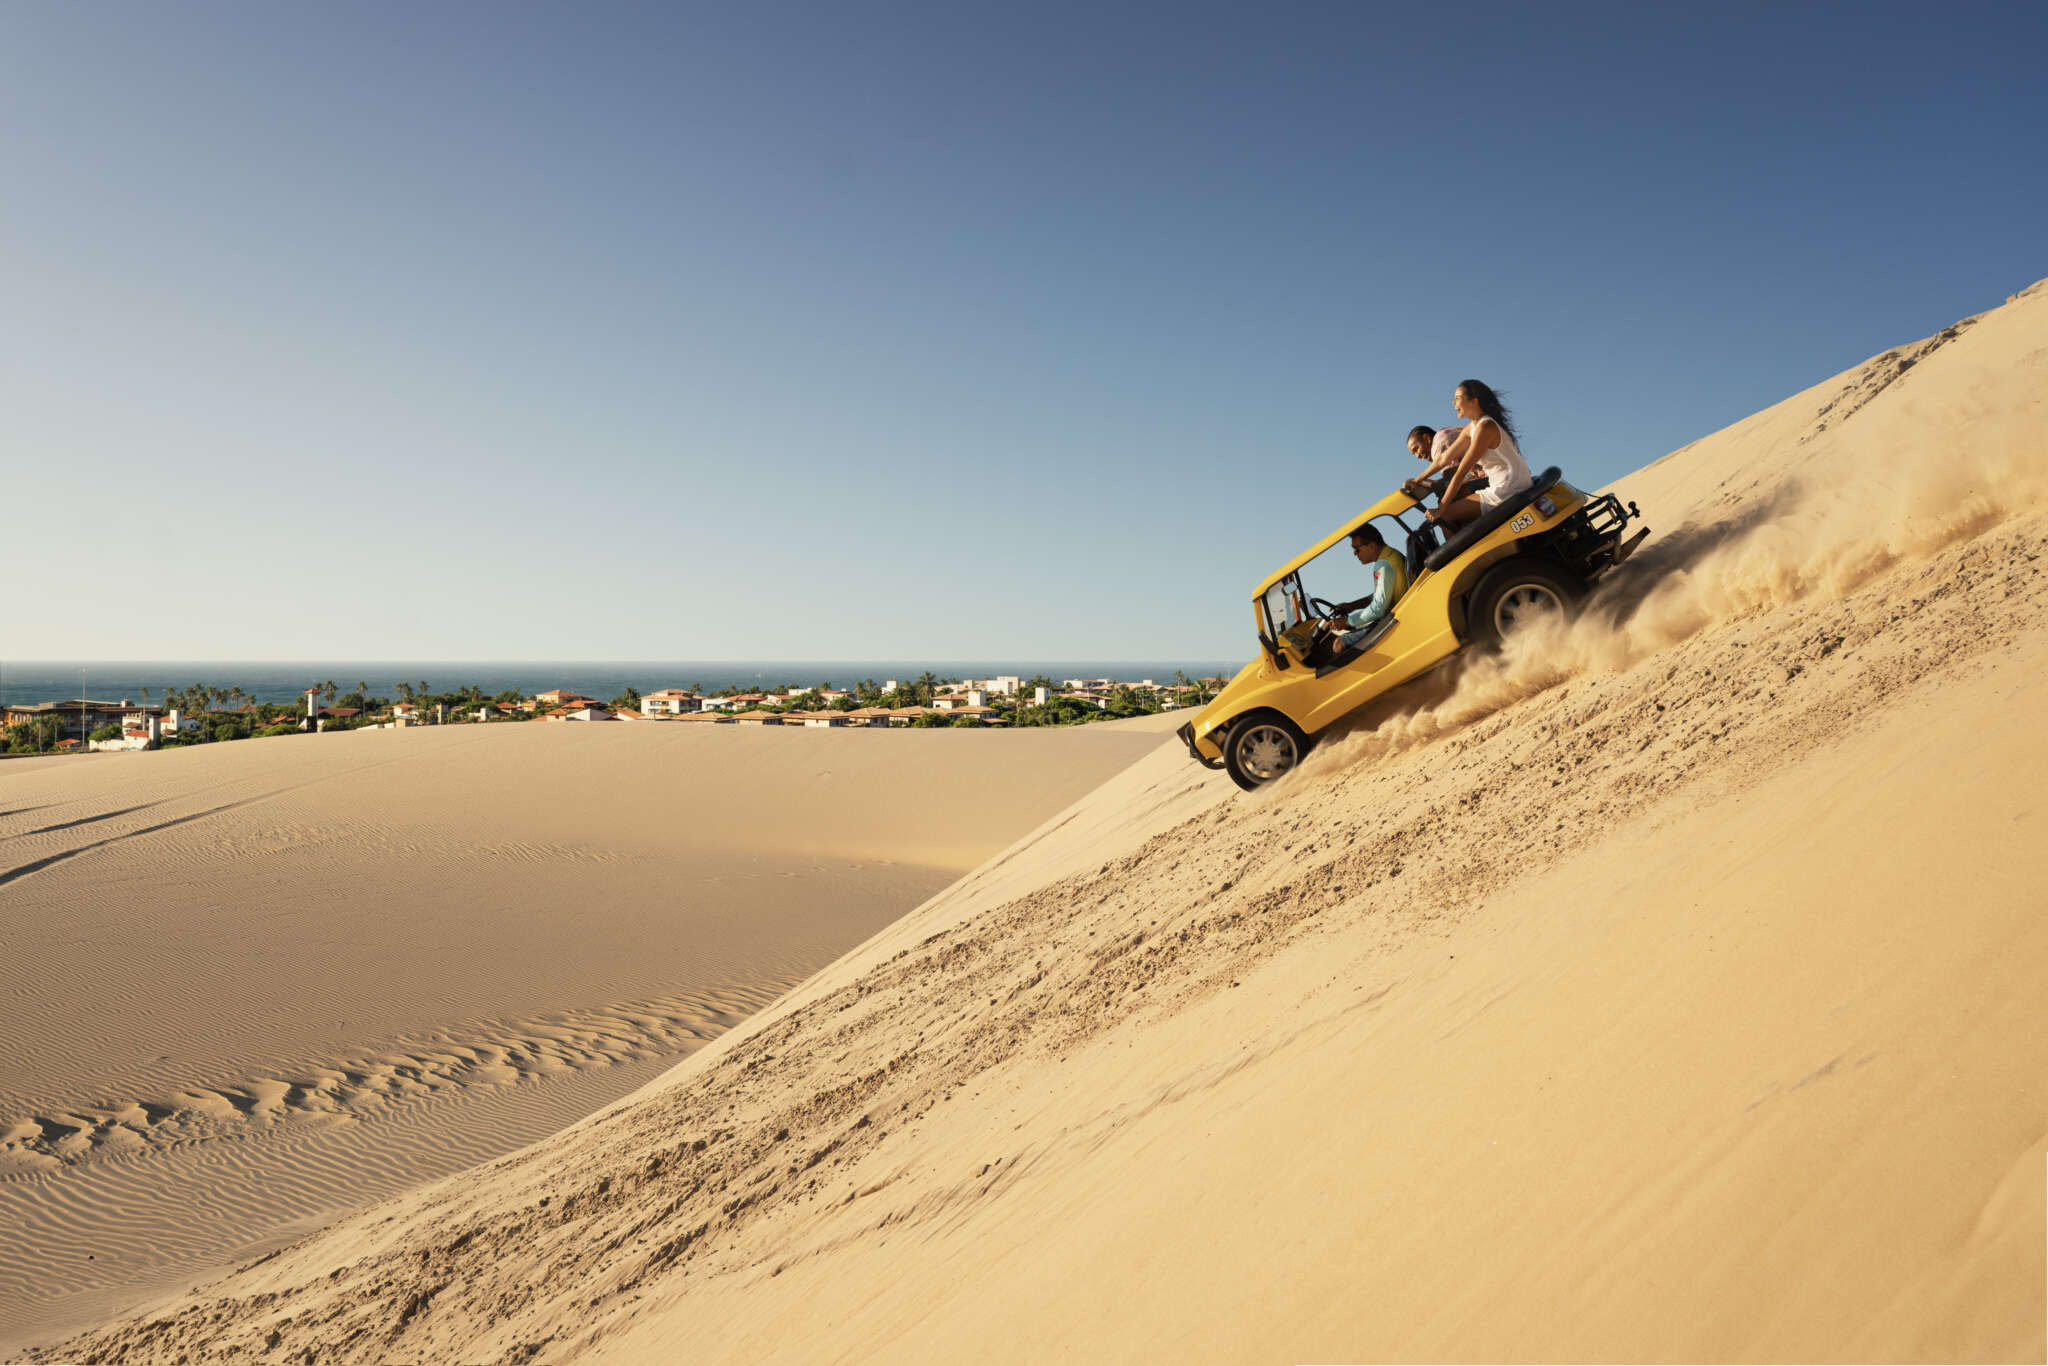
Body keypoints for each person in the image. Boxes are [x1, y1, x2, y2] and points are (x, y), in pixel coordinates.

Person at [1425, 379, 1532, 528]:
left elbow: (1461, 473)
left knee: (1445, 516)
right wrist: (1417, 480)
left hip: (1509, 488)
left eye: (1457, 398)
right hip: (1507, 484)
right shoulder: (1473, 426)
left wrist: (1440, 509)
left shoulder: (1485, 427)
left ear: (1473, 401)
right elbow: (1443, 458)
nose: (1453, 403)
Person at [1307, 525, 1407, 664]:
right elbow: (1380, 595)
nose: (1355, 554)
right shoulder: (1391, 556)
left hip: (1392, 620)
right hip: (1395, 615)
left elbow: (1378, 609)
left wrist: (1346, 621)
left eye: (1357, 549)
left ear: (1371, 546)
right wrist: (1352, 606)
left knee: (1338, 644)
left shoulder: (1384, 565)